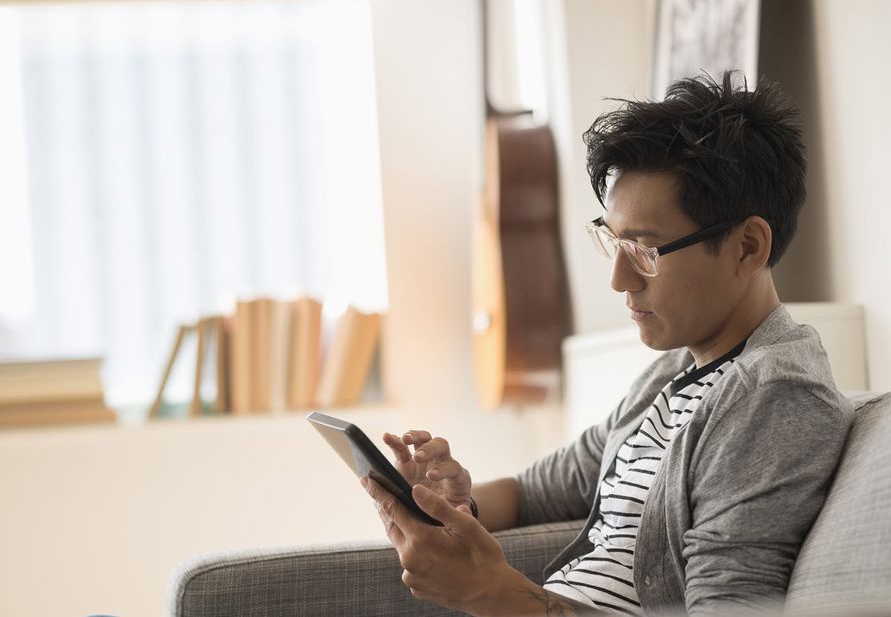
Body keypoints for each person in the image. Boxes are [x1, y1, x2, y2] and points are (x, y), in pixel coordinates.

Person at [361, 72, 854, 616]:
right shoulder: (673, 372)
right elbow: (540, 490)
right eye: (613, 242)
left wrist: (492, 591)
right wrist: (452, 500)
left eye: (644, 250)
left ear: (747, 247)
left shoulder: (772, 398)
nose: (619, 279)